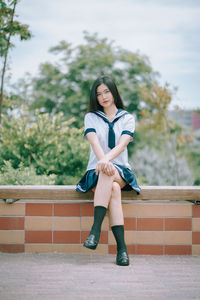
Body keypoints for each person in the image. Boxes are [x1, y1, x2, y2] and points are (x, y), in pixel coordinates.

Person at [76, 75, 141, 266]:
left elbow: (122, 145)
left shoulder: (127, 118)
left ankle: (95, 231)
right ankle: (122, 250)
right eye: (98, 94)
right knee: (113, 188)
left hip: (120, 171)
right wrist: (103, 161)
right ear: (95, 98)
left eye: (106, 91)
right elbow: (94, 141)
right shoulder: (91, 117)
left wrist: (105, 160)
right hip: (96, 171)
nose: (103, 97)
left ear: (113, 92)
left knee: (109, 171)